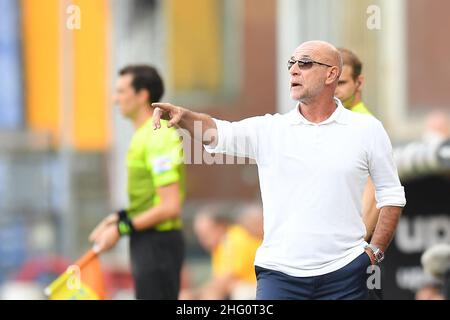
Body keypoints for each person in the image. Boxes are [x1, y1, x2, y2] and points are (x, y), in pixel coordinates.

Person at [152, 40, 406, 300]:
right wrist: (184, 116)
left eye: (305, 63)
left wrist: (375, 252)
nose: (294, 70)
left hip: (346, 273)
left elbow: (392, 196)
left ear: (332, 74)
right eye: (291, 64)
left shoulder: (367, 129)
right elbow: (218, 131)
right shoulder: (270, 129)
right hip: (280, 276)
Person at [89, 65, 186, 299]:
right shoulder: (143, 135)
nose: (115, 99)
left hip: (158, 244)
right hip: (147, 241)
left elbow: (169, 206)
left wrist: (121, 229)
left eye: (121, 91)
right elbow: (149, 200)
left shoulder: (157, 135)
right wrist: (117, 219)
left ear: (142, 95)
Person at [335, 48, 379, 243]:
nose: (333, 90)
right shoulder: (333, 122)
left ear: (359, 82)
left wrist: (357, 248)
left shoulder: (363, 124)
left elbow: (375, 192)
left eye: (341, 83)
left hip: (349, 246)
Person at [180, 204, 262, 300]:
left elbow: (225, 280)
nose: (202, 240)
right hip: (250, 288)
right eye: (200, 235)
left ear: (220, 227)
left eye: (206, 234)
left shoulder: (232, 239)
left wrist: (195, 294)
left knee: (213, 294)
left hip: (257, 288)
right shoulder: (220, 246)